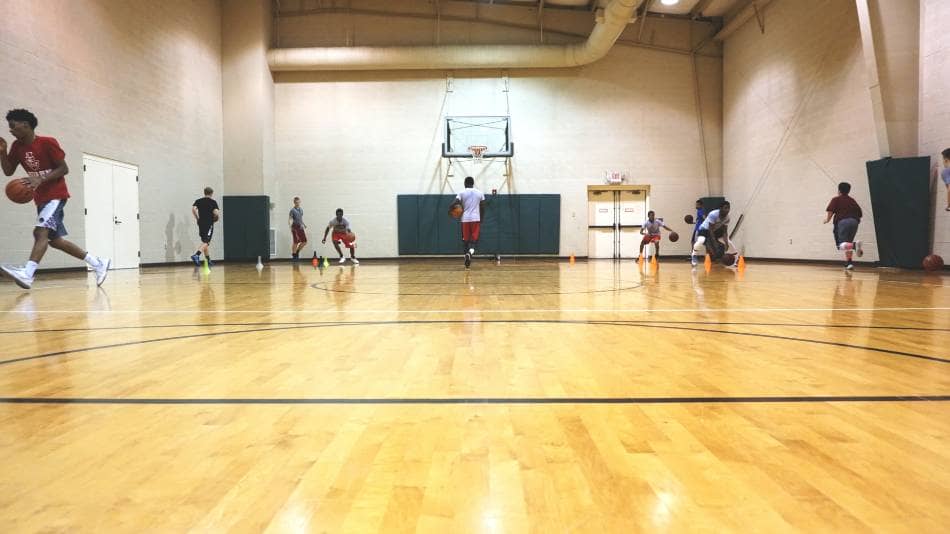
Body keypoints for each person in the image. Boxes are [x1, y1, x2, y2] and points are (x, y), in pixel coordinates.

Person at [0, 108, 110, 289]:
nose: (10, 130)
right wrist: (3, 153)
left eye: (13, 126)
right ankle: (98, 262)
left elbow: (64, 169)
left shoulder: (47, 143)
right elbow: (8, 171)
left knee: (40, 232)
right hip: (41, 198)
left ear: (26, 125)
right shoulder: (17, 147)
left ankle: (27, 274)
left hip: (55, 195)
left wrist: (40, 179)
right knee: (56, 241)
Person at [823, 181, 863, 270]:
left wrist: (828, 219)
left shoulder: (836, 199)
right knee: (847, 243)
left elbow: (830, 210)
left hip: (842, 222)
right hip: (854, 222)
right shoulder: (852, 200)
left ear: (839, 190)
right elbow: (860, 214)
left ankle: (854, 245)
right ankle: (849, 263)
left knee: (840, 245)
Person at [452, 176, 485, 268]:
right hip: (476, 219)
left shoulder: (461, 192)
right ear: (473, 183)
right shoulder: (480, 193)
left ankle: (466, 256)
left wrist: (451, 207)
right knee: (474, 241)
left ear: (465, 183)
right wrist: (481, 218)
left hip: (465, 219)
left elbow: (456, 201)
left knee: (465, 241)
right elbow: (482, 207)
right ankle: (470, 253)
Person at [691, 201, 734, 266]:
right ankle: (694, 255)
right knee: (701, 241)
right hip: (704, 229)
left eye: (728, 208)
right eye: (725, 208)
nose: (727, 210)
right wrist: (714, 243)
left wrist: (726, 243)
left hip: (714, 231)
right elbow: (710, 230)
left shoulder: (727, 218)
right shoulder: (713, 214)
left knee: (725, 244)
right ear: (720, 208)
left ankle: (732, 259)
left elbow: (725, 232)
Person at [191, 187, 220, 267]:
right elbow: (216, 212)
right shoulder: (213, 202)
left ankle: (208, 260)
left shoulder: (198, 201)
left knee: (205, 241)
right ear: (211, 193)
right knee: (207, 242)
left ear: (204, 192)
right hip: (208, 223)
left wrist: (197, 218)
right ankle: (196, 255)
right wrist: (216, 217)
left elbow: (193, 209)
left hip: (201, 223)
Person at [289, 197, 307, 261]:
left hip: (300, 227)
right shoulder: (292, 210)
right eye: (296, 202)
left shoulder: (301, 210)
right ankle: (294, 256)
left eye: (298, 202)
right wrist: (290, 225)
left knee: (304, 241)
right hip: (295, 227)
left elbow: (300, 219)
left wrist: (303, 224)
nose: (297, 203)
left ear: (300, 202)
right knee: (296, 242)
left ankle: (297, 252)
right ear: (294, 203)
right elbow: (290, 218)